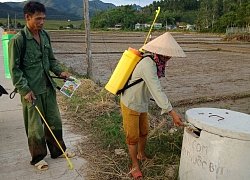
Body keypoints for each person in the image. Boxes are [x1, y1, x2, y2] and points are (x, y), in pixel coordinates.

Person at [8, 1, 74, 171]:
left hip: (48, 88)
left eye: (44, 18)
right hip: (32, 91)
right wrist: (24, 90)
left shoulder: (45, 36)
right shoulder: (18, 40)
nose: (42, 22)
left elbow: (51, 60)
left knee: (54, 120)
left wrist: (60, 72)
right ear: (27, 17)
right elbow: (15, 69)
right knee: (35, 126)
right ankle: (38, 157)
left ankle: (58, 151)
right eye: (38, 19)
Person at [120, 32, 186, 179]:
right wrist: (173, 113)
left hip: (142, 102)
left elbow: (154, 89)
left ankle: (141, 154)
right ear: (160, 52)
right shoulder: (148, 64)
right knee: (132, 136)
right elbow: (157, 90)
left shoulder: (156, 62)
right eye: (167, 54)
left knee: (143, 131)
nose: (169, 58)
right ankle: (134, 164)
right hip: (130, 102)